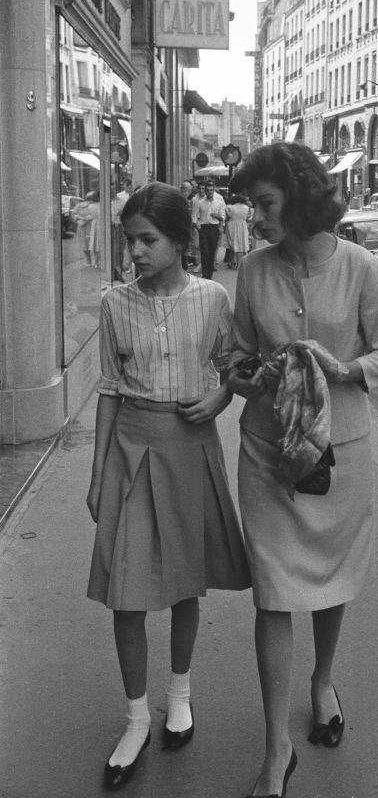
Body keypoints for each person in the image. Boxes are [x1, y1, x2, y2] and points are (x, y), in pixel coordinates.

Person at [227, 141, 378, 798]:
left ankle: (322, 680)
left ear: (300, 197)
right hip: (270, 458)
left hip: (341, 455)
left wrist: (345, 368)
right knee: (273, 592)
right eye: (250, 205)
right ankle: (278, 750)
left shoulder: (360, 267)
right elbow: (238, 364)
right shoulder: (251, 271)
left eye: (265, 204)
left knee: (330, 580)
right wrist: (256, 374)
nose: (255, 218)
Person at [86, 182, 250, 790]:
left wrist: (220, 395)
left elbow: (233, 366)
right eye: (130, 240)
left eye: (148, 240)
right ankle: (135, 718)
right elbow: (108, 388)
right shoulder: (113, 303)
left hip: (189, 444)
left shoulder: (212, 298)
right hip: (131, 444)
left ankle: (179, 695)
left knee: (185, 581)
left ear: (182, 241)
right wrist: (99, 471)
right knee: (125, 594)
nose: (136, 251)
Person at [195, 180, 226, 279]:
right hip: (204, 228)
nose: (210, 192)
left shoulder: (219, 202)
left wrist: (218, 216)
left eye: (211, 190)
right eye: (208, 190)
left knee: (212, 251)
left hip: (214, 228)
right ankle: (205, 275)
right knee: (204, 251)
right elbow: (195, 216)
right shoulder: (200, 202)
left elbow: (223, 217)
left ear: (214, 190)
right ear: (205, 191)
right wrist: (198, 226)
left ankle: (209, 275)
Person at [224, 193, 251, 270]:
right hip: (242, 225)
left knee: (232, 245)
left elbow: (228, 217)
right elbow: (248, 217)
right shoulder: (246, 207)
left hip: (232, 226)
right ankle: (239, 264)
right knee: (241, 245)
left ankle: (232, 263)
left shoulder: (230, 207)